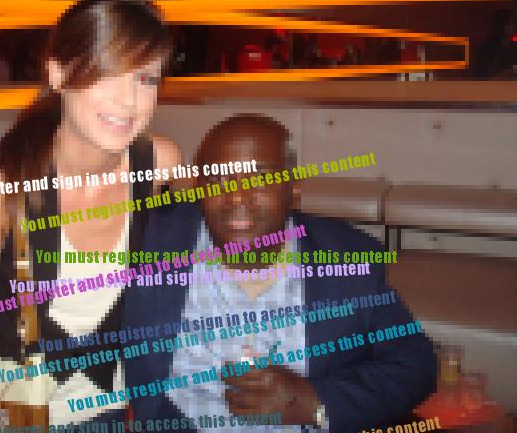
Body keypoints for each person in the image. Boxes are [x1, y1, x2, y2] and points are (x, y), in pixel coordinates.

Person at [0, 0, 180, 427]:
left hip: (113, 405)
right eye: (107, 73)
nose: (128, 100)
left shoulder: (160, 165)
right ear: (58, 74)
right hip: (13, 407)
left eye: (145, 79)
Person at [125, 114, 437, 432]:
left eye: (260, 178)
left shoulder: (347, 261)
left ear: (293, 187)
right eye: (218, 179)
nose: (237, 196)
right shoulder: (148, 246)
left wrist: (314, 401)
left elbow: (415, 365)